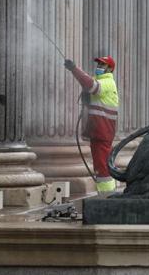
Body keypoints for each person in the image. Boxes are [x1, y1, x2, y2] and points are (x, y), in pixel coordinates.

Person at [64, 56, 119, 195]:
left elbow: (92, 86)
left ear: (110, 69)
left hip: (103, 130)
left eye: (103, 64)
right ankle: (106, 193)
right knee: (101, 165)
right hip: (99, 131)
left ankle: (107, 196)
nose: (99, 66)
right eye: (99, 63)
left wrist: (74, 69)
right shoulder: (101, 81)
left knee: (102, 167)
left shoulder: (108, 82)